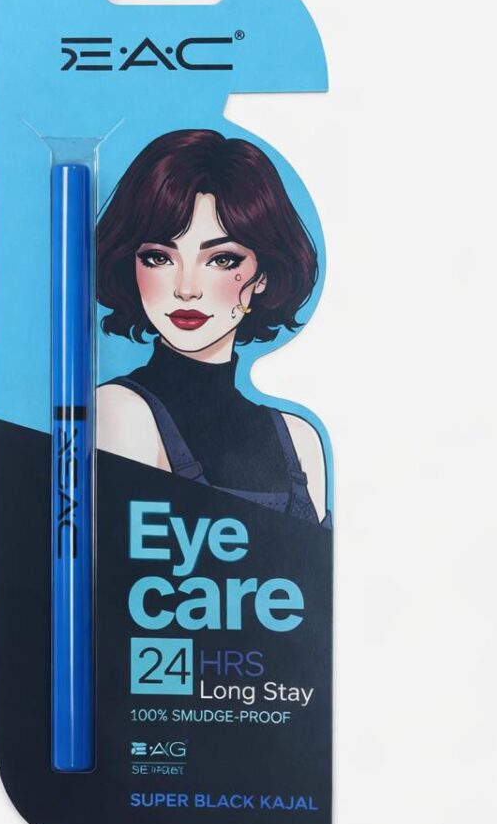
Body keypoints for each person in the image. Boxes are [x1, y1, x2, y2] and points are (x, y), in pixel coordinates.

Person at [96, 129, 329, 526]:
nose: (186, 289)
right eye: (159, 258)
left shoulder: (299, 439)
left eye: (221, 260)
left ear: (263, 276)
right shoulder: (121, 411)